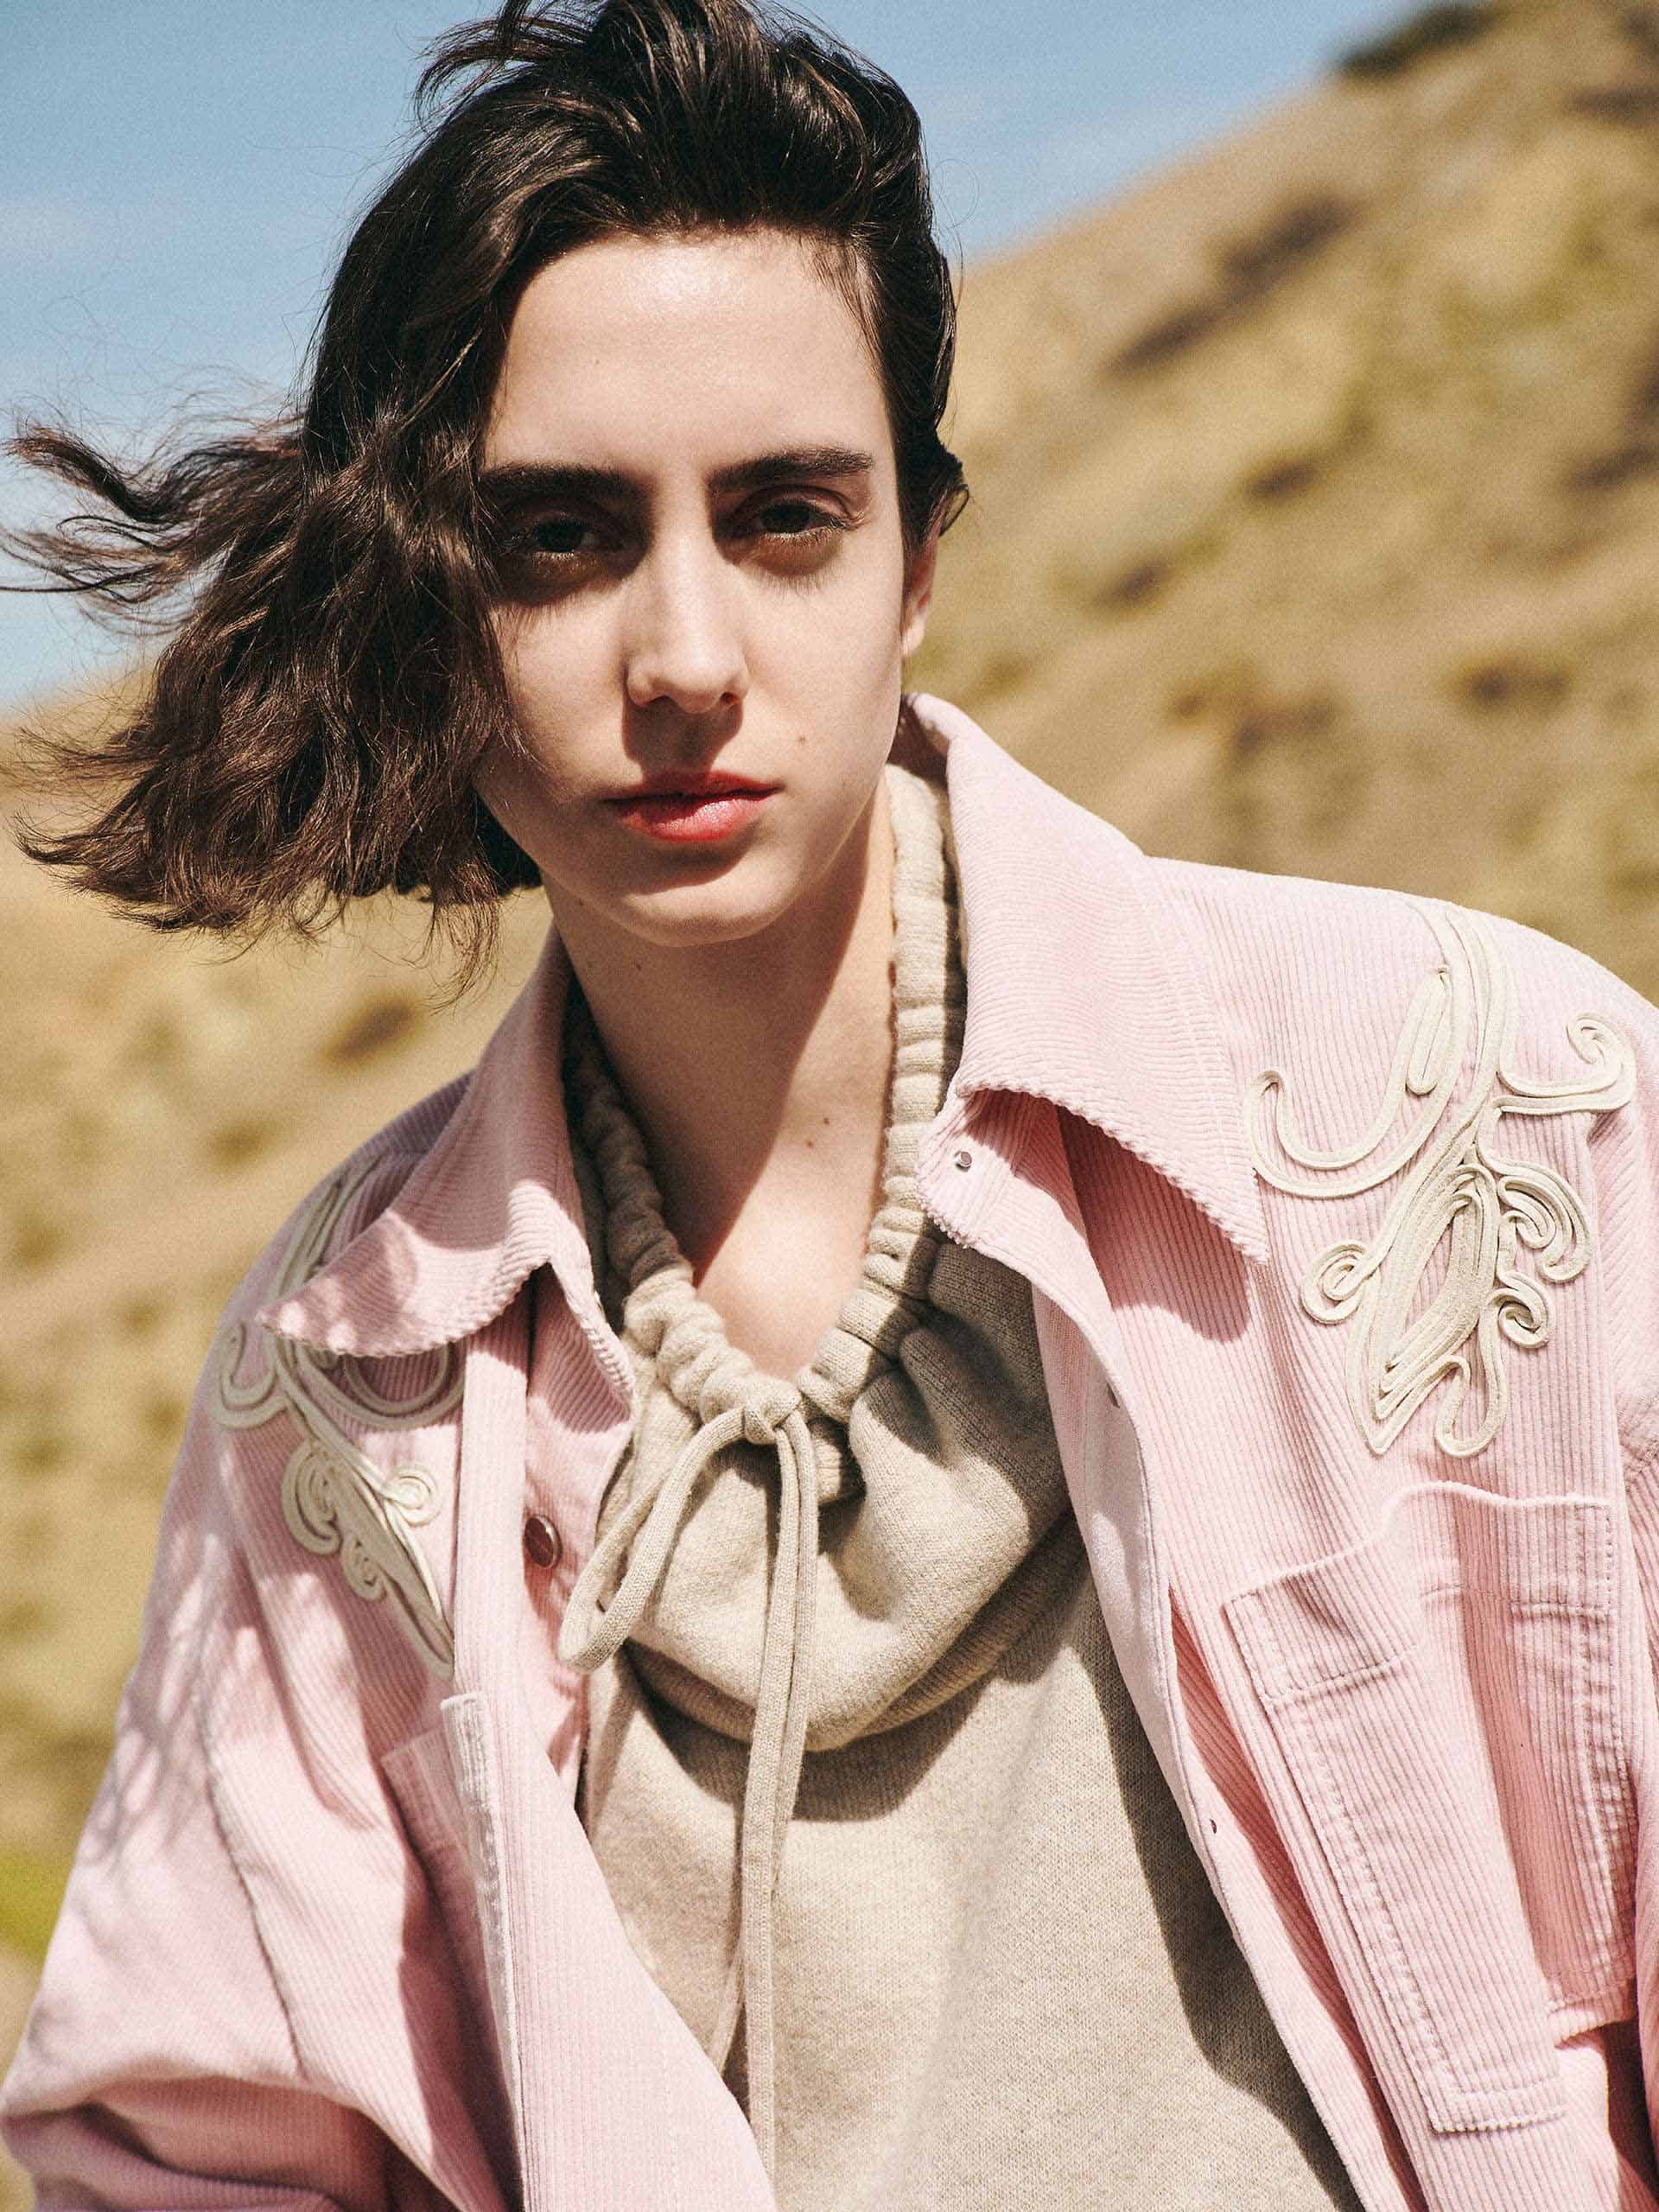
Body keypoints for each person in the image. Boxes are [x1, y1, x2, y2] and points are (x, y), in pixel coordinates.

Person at [3, 1, 1659, 2206]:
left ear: (920, 562)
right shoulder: (346, 1380)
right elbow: (198, 2152)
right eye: (558, 537)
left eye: (785, 517)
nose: (684, 656)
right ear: (431, 606)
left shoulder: (1496, 1111)